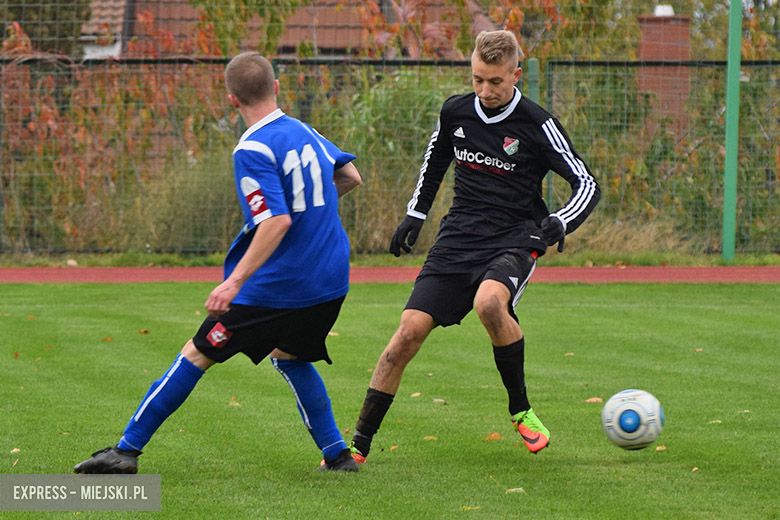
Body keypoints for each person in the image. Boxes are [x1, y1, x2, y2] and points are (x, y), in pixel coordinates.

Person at [74, 52, 363, 474]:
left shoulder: (252, 148)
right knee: (290, 356)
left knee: (196, 353)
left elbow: (276, 221)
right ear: (276, 86)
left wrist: (234, 283)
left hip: (280, 286)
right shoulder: (305, 130)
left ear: (232, 100)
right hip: (332, 280)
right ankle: (338, 455)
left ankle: (125, 451)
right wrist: (312, 209)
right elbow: (350, 177)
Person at [348, 30, 600, 461]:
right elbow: (435, 161)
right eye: (477, 79)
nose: (485, 91)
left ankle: (520, 409)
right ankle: (357, 449)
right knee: (406, 334)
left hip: (515, 237)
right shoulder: (456, 111)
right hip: (458, 237)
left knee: (489, 304)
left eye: (495, 82)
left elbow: (586, 182)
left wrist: (562, 220)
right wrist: (416, 214)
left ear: (515, 75)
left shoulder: (538, 125)